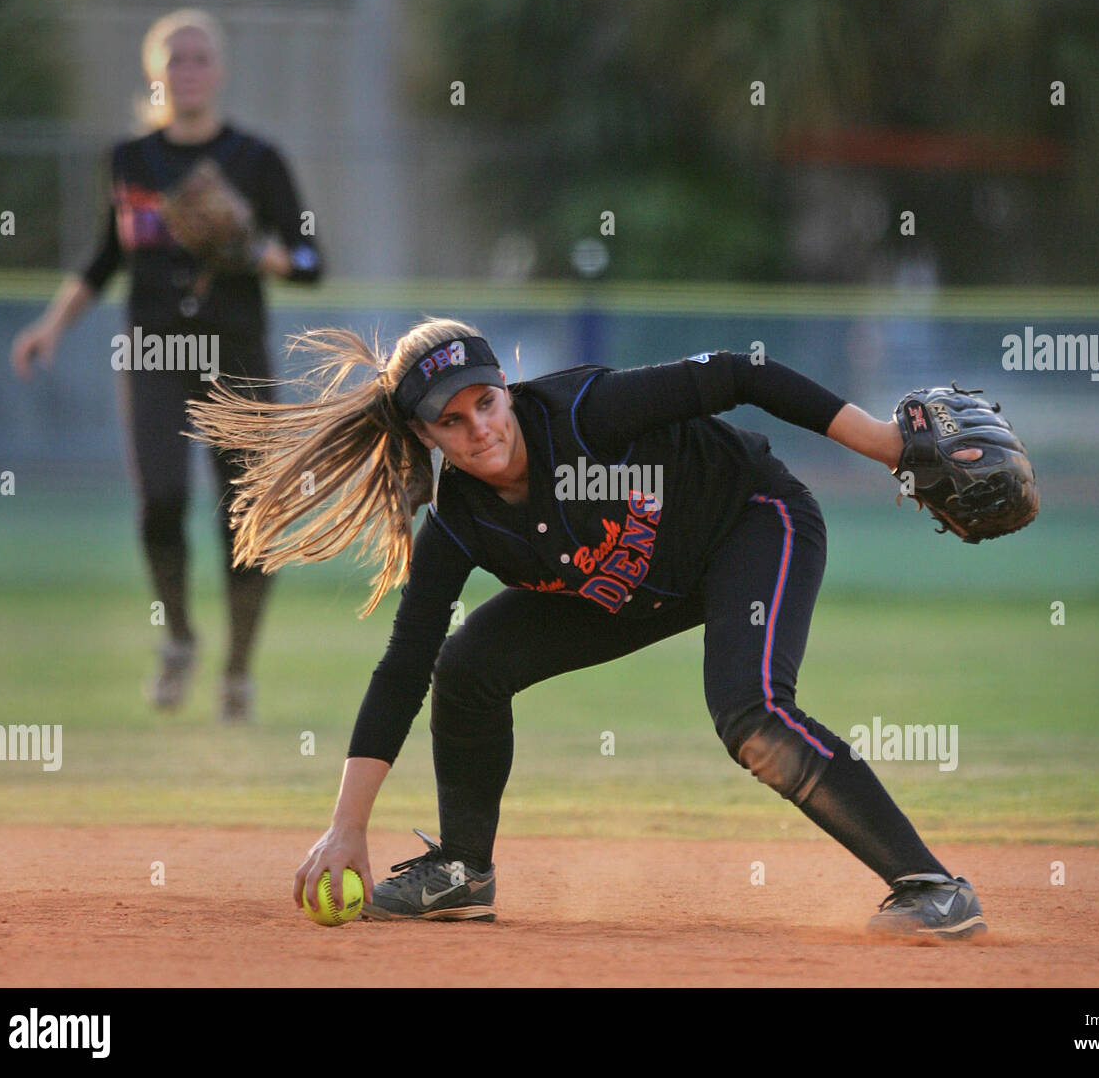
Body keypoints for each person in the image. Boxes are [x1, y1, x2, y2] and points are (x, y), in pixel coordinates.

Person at [188, 317, 988, 939]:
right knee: (465, 665)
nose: (480, 429)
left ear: (507, 387)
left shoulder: (584, 413)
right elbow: (404, 664)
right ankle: (463, 869)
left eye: (486, 402)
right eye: (452, 421)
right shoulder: (459, 525)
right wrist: (346, 826)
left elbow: (740, 374)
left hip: (750, 521)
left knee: (750, 712)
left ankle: (931, 887)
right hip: (632, 588)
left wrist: (888, 447)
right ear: (425, 437)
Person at [11, 9, 324, 721]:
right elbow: (104, 256)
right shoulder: (131, 161)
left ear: (219, 71)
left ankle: (238, 666)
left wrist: (256, 250)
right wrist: (49, 326)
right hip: (153, 350)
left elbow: (310, 261)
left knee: (245, 518)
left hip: (235, 352)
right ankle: (179, 636)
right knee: (160, 497)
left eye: (199, 57)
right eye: (174, 57)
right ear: (155, 71)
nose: (188, 69)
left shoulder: (256, 159)